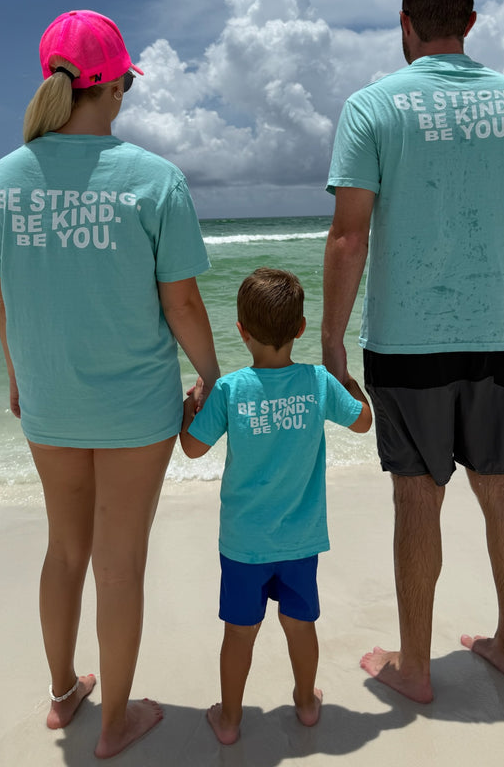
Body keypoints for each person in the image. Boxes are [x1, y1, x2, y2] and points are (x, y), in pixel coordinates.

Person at [0, 9, 220, 759]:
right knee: (120, 565)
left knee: (64, 551)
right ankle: (114, 722)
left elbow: (4, 297)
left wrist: (18, 378)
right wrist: (212, 375)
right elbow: (179, 300)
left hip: (48, 398)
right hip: (132, 405)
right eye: (125, 85)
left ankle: (63, 696)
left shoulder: (1, 180)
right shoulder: (153, 179)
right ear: (113, 85)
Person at [322, 0, 504, 703]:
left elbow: (348, 238)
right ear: (471, 24)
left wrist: (330, 340)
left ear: (404, 24)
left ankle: (416, 667)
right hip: (492, 333)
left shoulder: (372, 108)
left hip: (404, 342)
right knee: (501, 488)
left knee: (416, 497)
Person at [180, 267, 372, 744]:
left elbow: (191, 448)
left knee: (239, 632)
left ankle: (229, 720)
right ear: (301, 328)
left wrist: (190, 408)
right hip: (300, 538)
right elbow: (365, 423)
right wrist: (347, 379)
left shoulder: (229, 390)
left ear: (241, 332)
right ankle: (306, 704)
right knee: (300, 624)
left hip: (244, 542)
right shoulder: (318, 382)